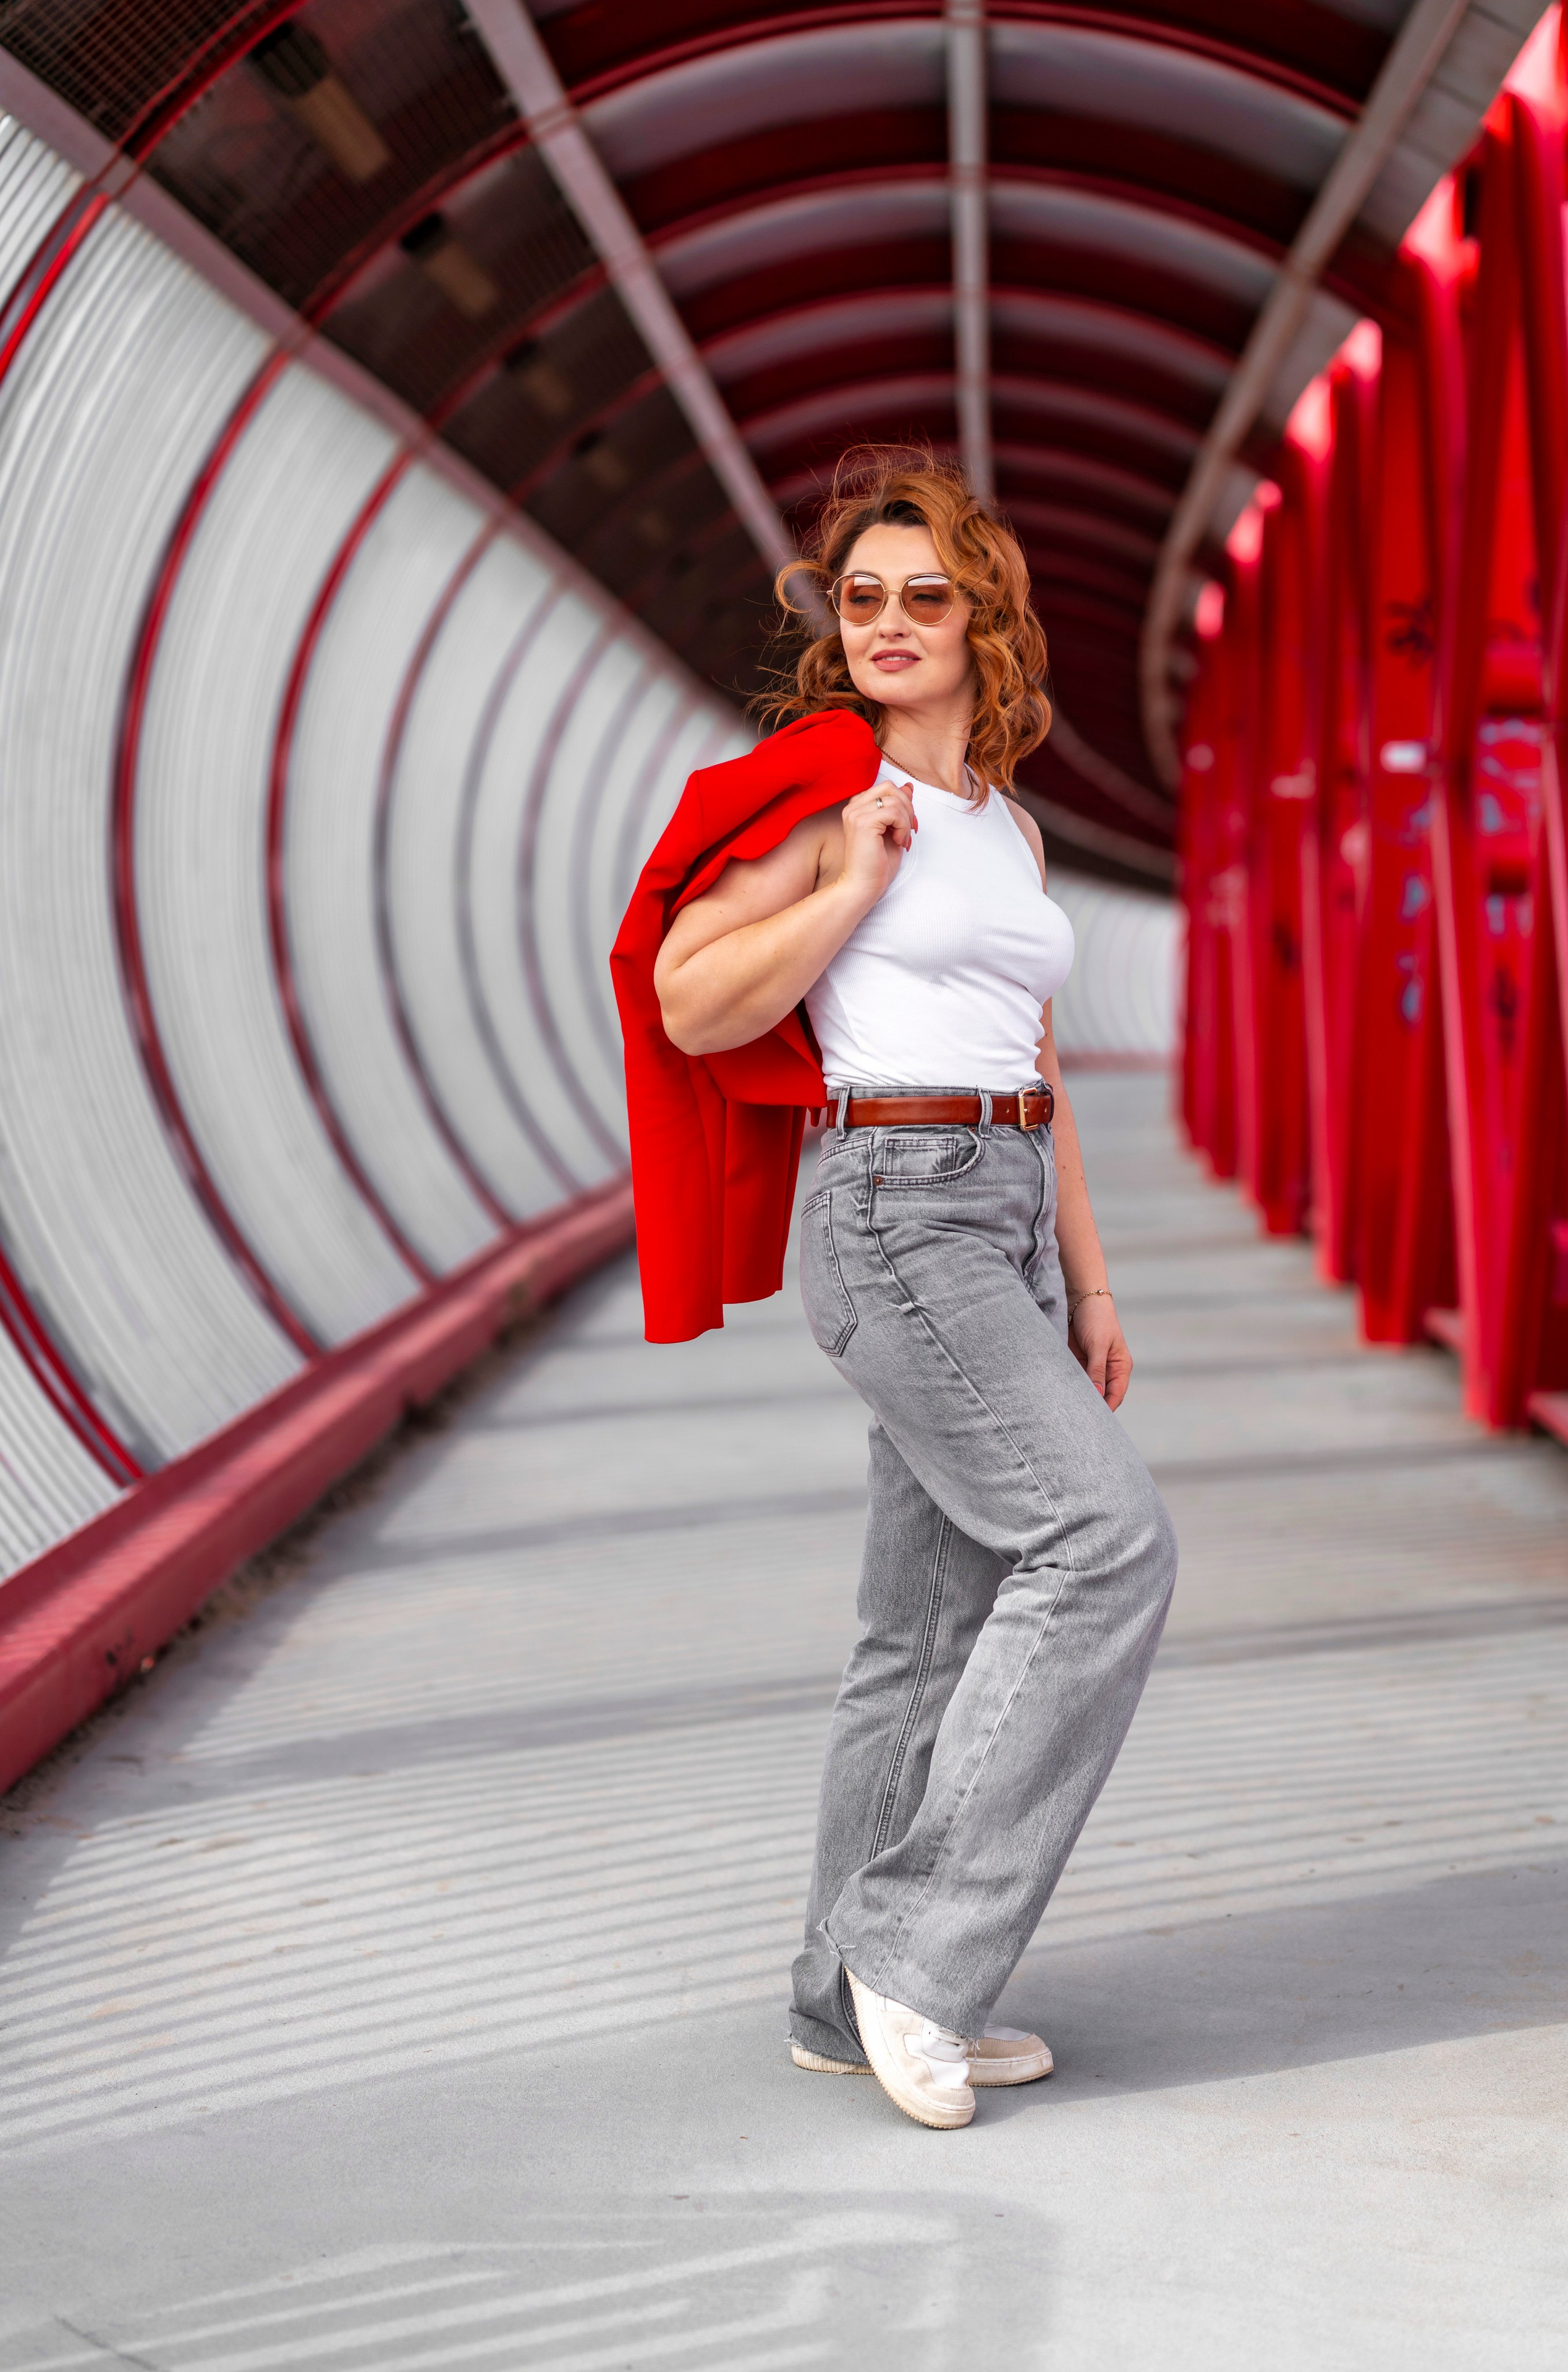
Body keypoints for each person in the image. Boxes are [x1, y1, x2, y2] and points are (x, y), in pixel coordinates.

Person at [645, 451, 1177, 2130]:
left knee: (926, 1636)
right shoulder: (827, 797)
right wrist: (855, 886)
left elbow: (1037, 1067)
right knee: (1107, 1547)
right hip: (891, 1203)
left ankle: (834, 1996)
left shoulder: (1006, 827)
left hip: (1001, 1206)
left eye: (922, 596)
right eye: (859, 597)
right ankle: (918, 1957)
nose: (885, 621)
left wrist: (1087, 1283)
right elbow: (690, 999)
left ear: (983, 621)